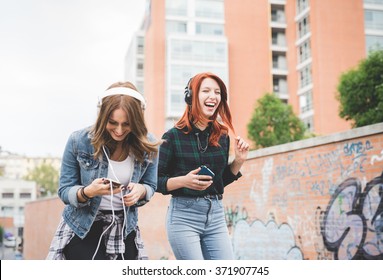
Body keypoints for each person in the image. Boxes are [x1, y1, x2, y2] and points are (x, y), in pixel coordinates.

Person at [47, 82, 160, 260]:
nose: (119, 130)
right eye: (112, 122)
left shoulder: (148, 144)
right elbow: (64, 190)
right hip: (82, 227)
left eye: (127, 124)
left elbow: (151, 185)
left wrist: (141, 190)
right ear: (102, 115)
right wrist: (87, 192)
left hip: (124, 228)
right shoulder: (79, 141)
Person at [157, 72, 250, 260]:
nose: (213, 96)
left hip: (215, 214)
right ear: (191, 97)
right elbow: (155, 182)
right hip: (184, 217)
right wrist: (184, 181)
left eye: (217, 92)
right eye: (206, 90)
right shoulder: (172, 137)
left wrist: (238, 160)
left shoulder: (222, 135)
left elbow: (219, 181)